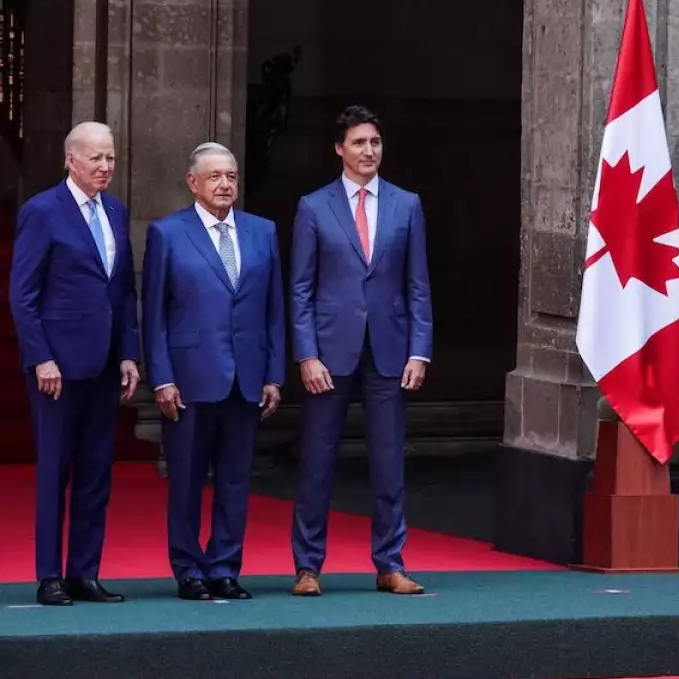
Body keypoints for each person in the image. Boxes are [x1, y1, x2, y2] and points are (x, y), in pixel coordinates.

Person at [290, 105, 433, 596]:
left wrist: (421, 350)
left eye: (374, 142)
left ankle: (390, 563)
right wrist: (306, 354)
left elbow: (418, 286)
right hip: (329, 354)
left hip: (390, 351)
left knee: (389, 460)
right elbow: (301, 288)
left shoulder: (406, 204)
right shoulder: (313, 206)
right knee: (317, 460)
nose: (368, 151)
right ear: (339, 149)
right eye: (359, 143)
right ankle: (308, 567)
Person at [141, 143, 285, 601]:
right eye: (215, 177)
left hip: (246, 377)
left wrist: (274, 374)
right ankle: (188, 568)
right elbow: (156, 314)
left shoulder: (263, 232)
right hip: (189, 378)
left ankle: (225, 565)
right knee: (185, 479)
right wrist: (161, 378)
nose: (225, 184)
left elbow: (273, 311)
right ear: (193, 183)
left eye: (232, 176)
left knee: (236, 479)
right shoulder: (168, 233)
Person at [7, 122, 141, 606]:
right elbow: (23, 295)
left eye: (110, 158)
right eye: (95, 158)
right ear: (70, 159)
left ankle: (85, 572)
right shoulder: (42, 211)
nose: (105, 167)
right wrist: (41, 358)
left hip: (105, 364)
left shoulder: (117, 212)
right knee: (54, 471)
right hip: (57, 370)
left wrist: (129, 352)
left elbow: (123, 289)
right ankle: (50, 576)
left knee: (96, 472)